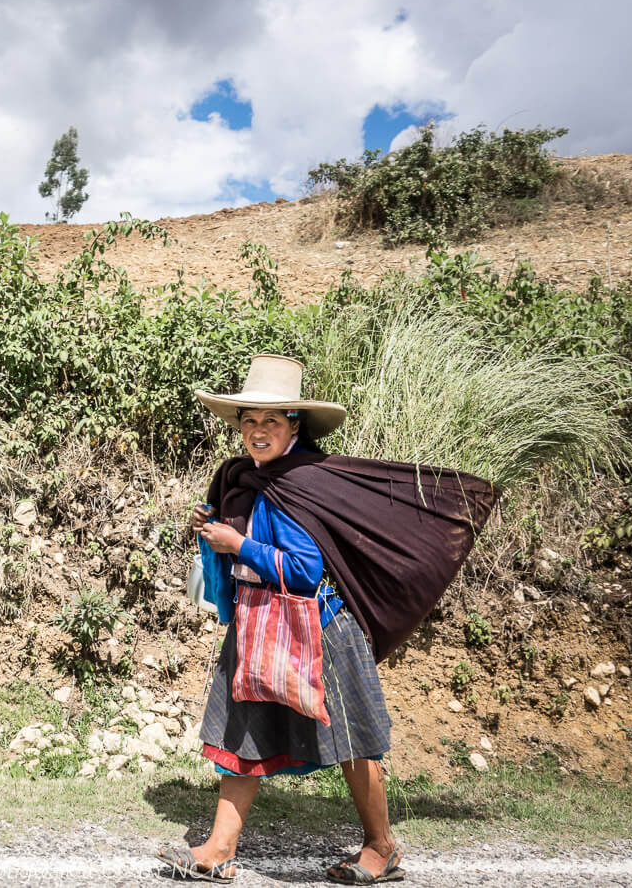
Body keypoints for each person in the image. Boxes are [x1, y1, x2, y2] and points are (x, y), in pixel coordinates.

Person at [159, 354, 496, 885]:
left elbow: (302, 569)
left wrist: (238, 543)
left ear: (295, 425)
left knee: (354, 742)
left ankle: (381, 848)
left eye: (271, 421)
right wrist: (216, 527)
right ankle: (219, 849)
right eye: (248, 420)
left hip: (321, 628)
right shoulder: (240, 478)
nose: (257, 430)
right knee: (240, 732)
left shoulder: (307, 484)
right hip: (257, 621)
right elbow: (243, 546)